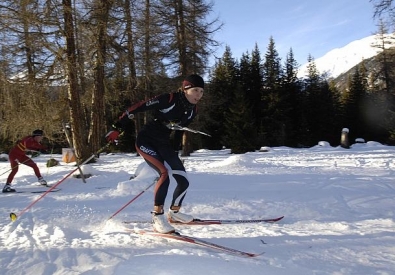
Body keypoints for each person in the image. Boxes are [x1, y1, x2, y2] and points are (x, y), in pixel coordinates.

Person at [106, 74, 204, 233]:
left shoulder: (193, 110)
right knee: (164, 175)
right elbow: (139, 106)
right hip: (146, 141)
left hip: (164, 144)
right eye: (195, 90)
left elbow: (179, 131)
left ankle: (174, 213)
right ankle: (157, 217)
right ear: (185, 90)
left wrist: (175, 150)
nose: (198, 95)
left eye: (201, 91)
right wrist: (117, 126)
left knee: (183, 180)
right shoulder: (170, 99)